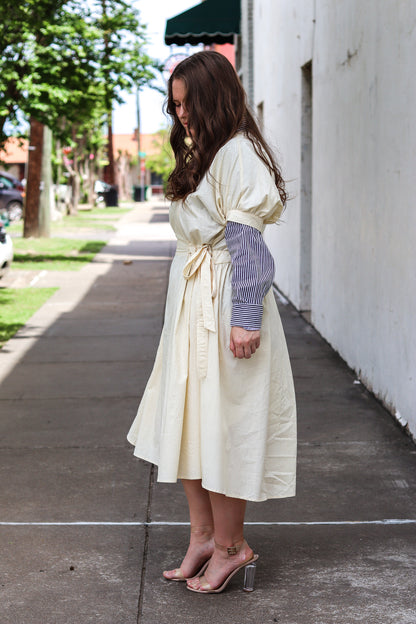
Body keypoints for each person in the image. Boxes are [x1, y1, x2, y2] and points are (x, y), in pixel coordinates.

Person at [127, 50, 296, 594]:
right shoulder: (204, 148)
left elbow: (248, 244)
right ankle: (203, 536)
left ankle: (231, 546)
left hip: (225, 301)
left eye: (186, 104)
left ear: (211, 97)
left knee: (225, 425)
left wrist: (245, 319)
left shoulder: (238, 154)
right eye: (173, 106)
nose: (179, 115)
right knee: (189, 421)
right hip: (192, 300)